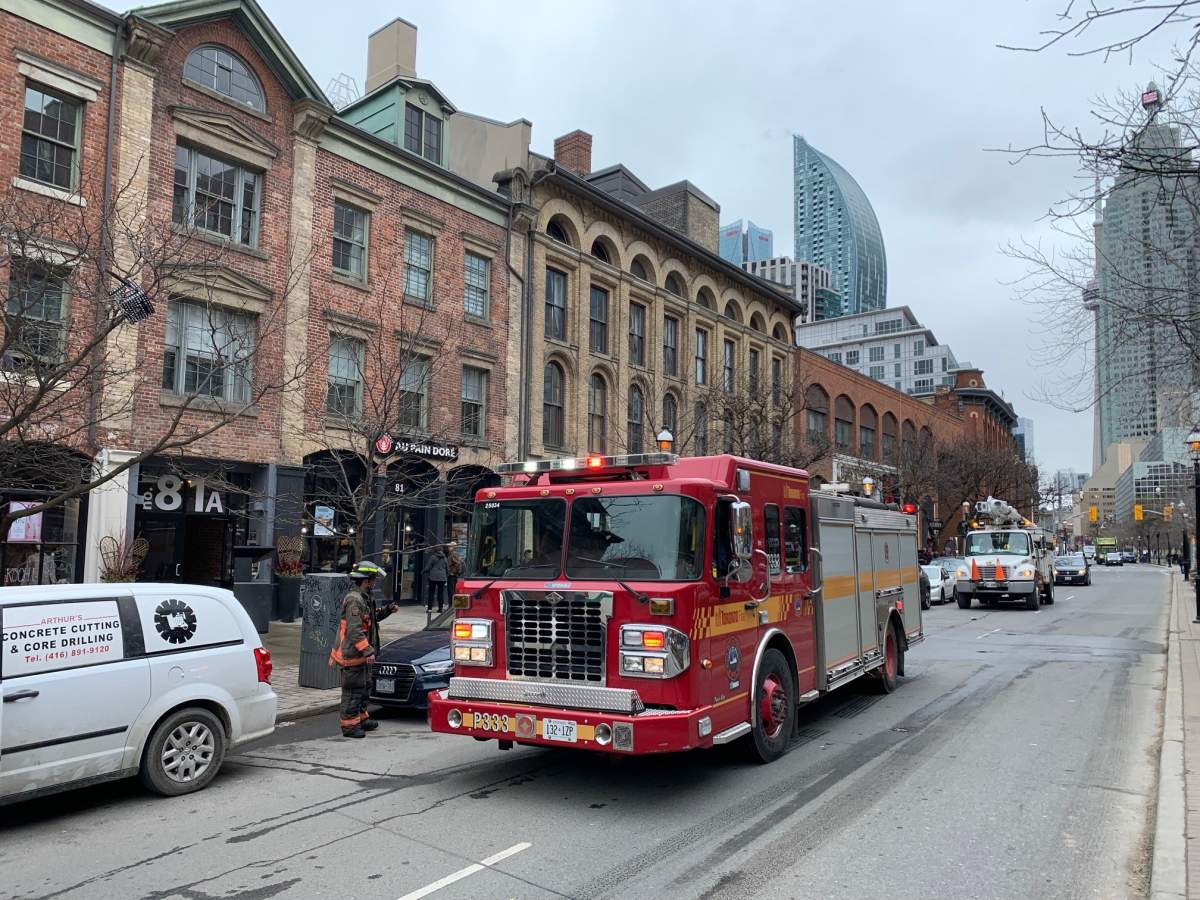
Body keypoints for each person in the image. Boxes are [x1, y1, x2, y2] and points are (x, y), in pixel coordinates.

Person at [328, 561, 395, 738]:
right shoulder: (354, 600)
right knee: (353, 690)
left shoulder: (365, 597)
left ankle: (361, 719)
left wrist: (387, 611)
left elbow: (371, 619)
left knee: (364, 687)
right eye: (373, 580)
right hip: (352, 655)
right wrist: (368, 651)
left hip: (361, 656)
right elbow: (355, 630)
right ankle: (349, 726)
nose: (374, 583)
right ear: (366, 580)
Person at [424, 544, 449, 613]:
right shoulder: (445, 558)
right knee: (440, 593)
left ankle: (429, 609)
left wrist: (423, 571)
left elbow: (428, 567)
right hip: (442, 578)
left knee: (431, 592)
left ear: (435, 551)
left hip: (433, 577)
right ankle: (440, 609)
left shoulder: (433, 557)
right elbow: (447, 568)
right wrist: (446, 575)